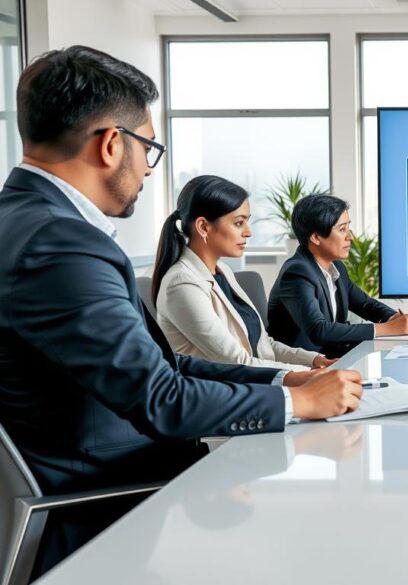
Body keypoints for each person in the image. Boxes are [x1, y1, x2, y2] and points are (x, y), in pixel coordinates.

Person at [0, 46, 362, 577]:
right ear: (111, 145)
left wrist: (285, 381)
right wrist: (298, 404)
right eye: (148, 148)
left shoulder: (25, 222)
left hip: (113, 475)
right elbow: (160, 399)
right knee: (326, 536)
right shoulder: (61, 243)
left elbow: (163, 366)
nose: (148, 170)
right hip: (108, 504)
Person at [153, 174, 336, 372]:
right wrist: (309, 375)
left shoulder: (223, 271)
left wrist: (315, 360)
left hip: (251, 381)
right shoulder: (181, 283)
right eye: (239, 223)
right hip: (223, 388)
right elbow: (237, 362)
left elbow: (264, 346)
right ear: (203, 227)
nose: (248, 232)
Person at [268, 194, 408, 357]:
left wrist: (393, 317)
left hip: (333, 356)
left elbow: (364, 304)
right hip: (305, 363)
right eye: (342, 229)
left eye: (348, 227)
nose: (350, 237)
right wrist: (387, 329)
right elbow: (319, 330)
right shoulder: (297, 272)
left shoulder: (335, 266)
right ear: (316, 237)